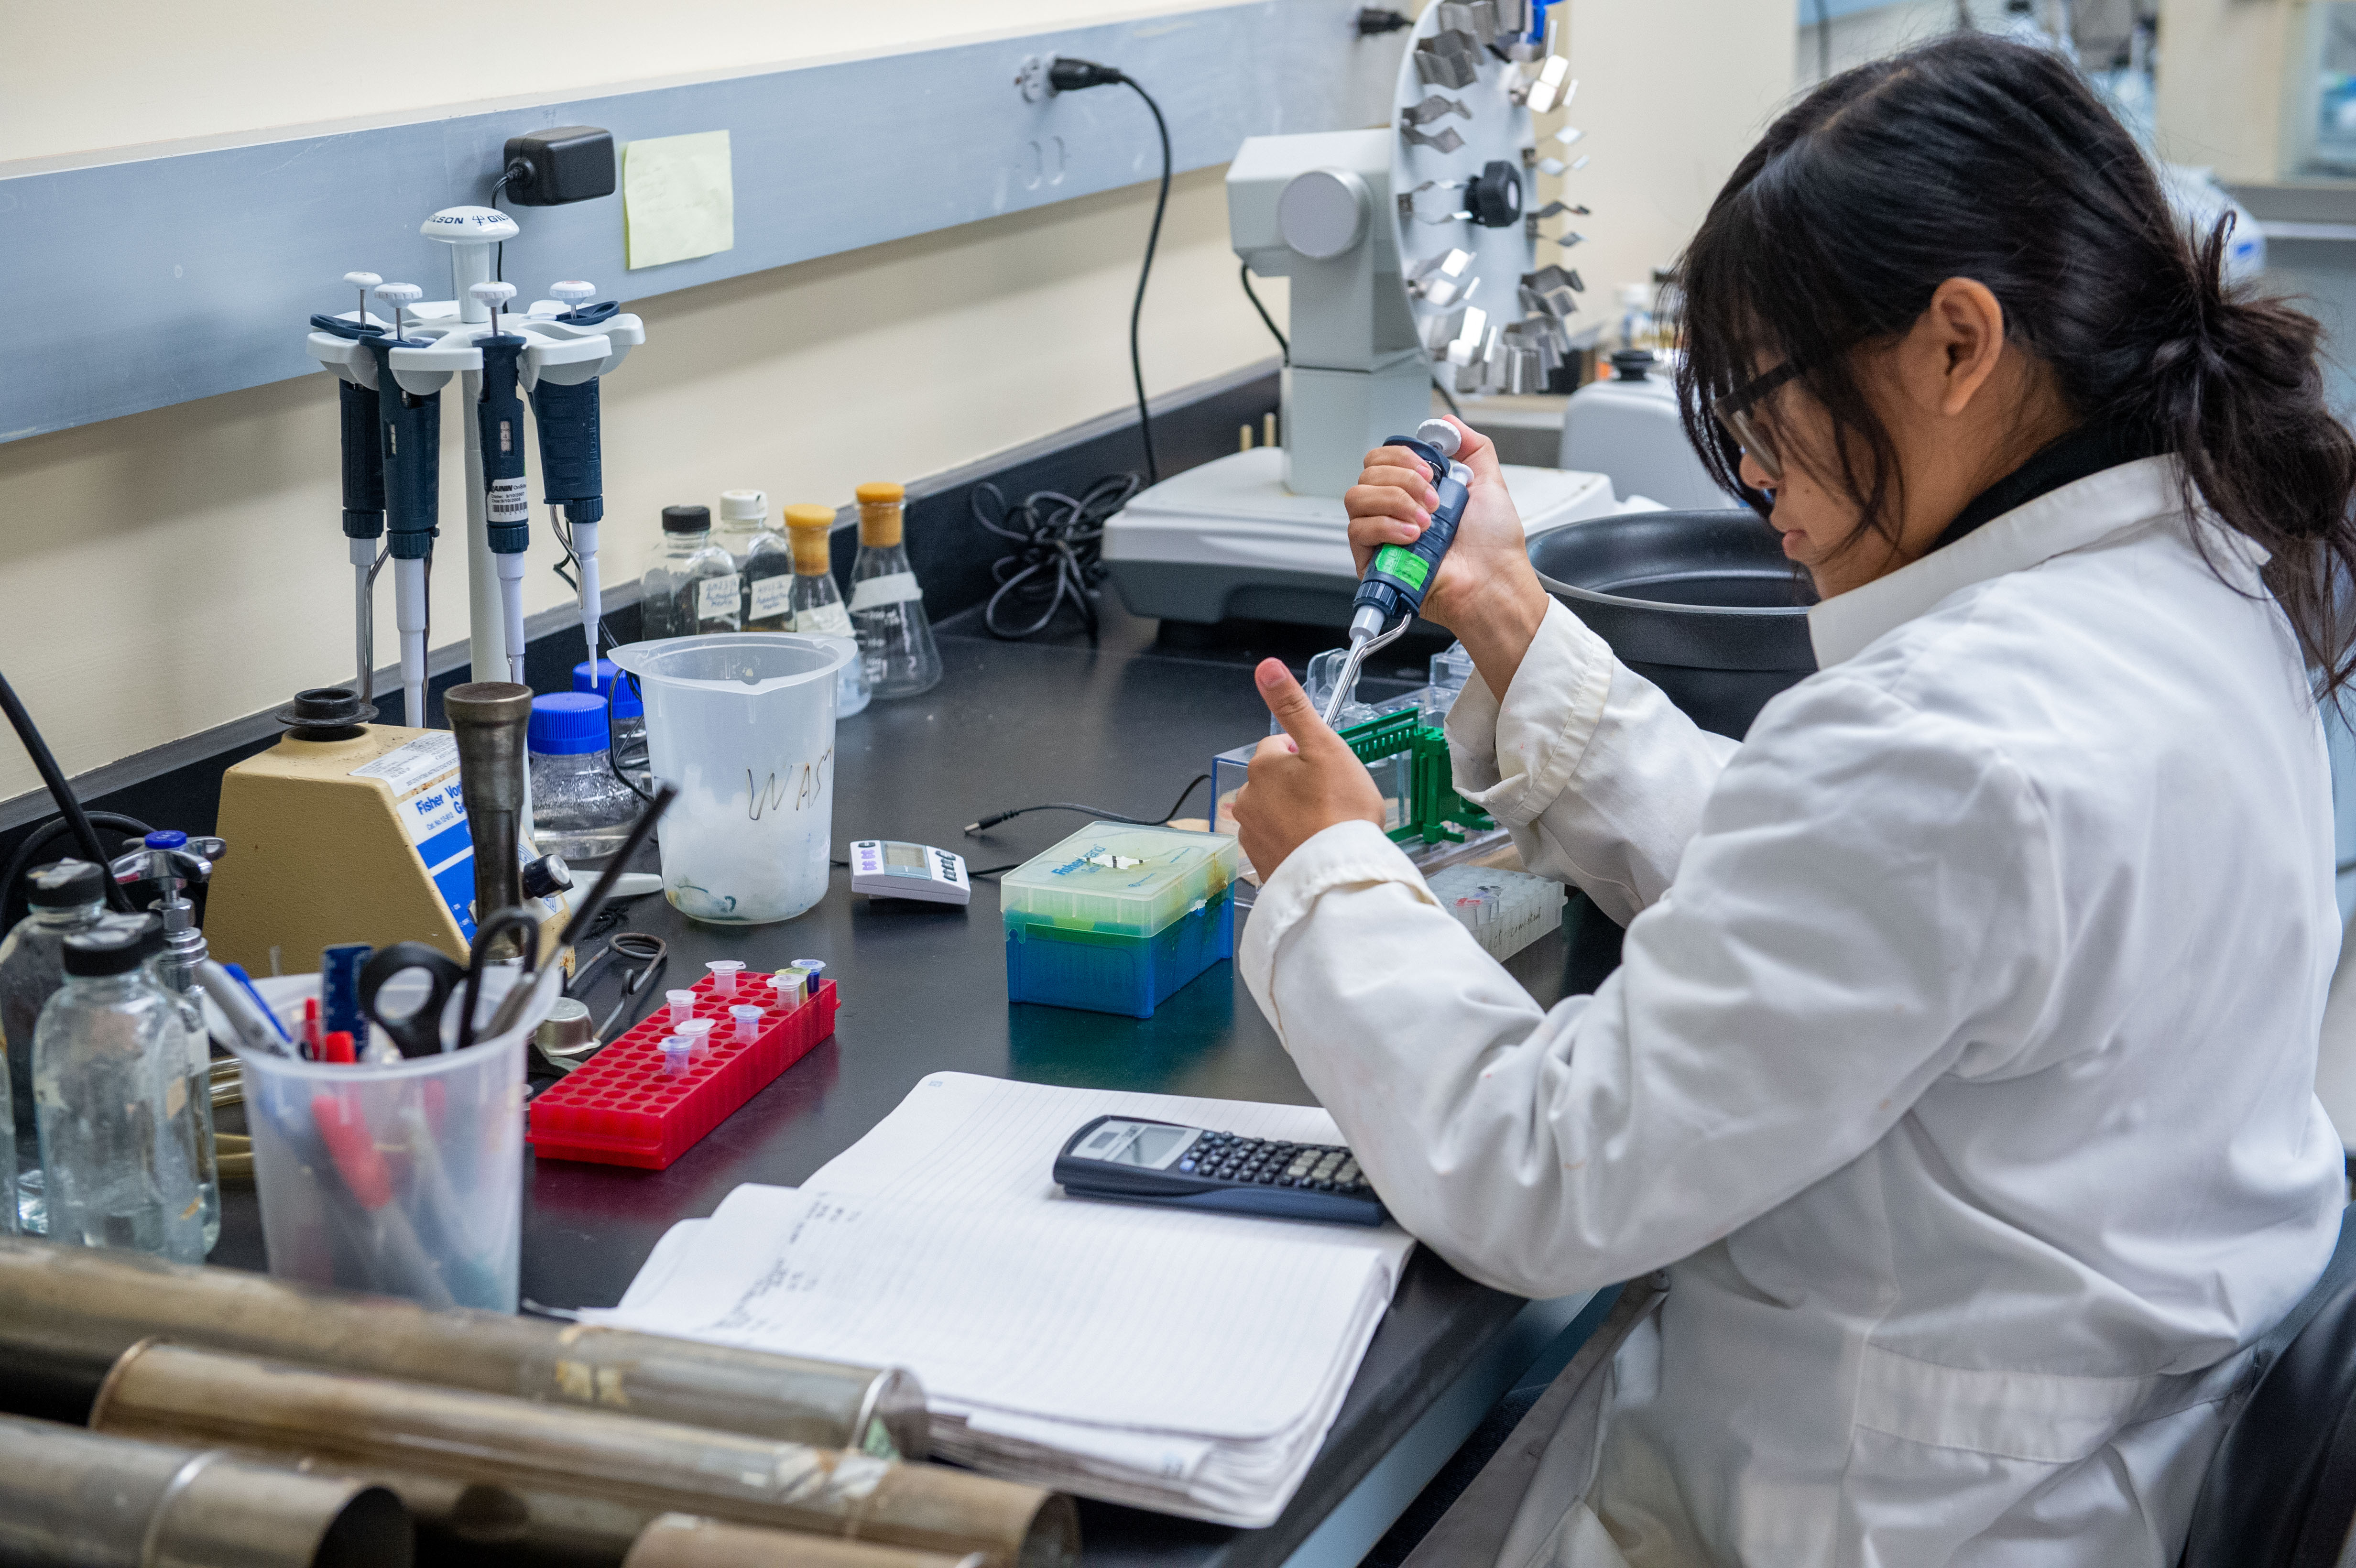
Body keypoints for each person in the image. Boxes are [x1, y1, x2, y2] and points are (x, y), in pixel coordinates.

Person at [1232, 33, 2356, 1568]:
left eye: (1763, 409)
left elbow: (1545, 1172)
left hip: (1904, 1511)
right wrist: (1507, 613)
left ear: (1958, 346)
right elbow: (1844, 913)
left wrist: (1336, 882)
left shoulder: (1954, 737)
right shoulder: (2203, 576)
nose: (1757, 483)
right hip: (2102, 1453)